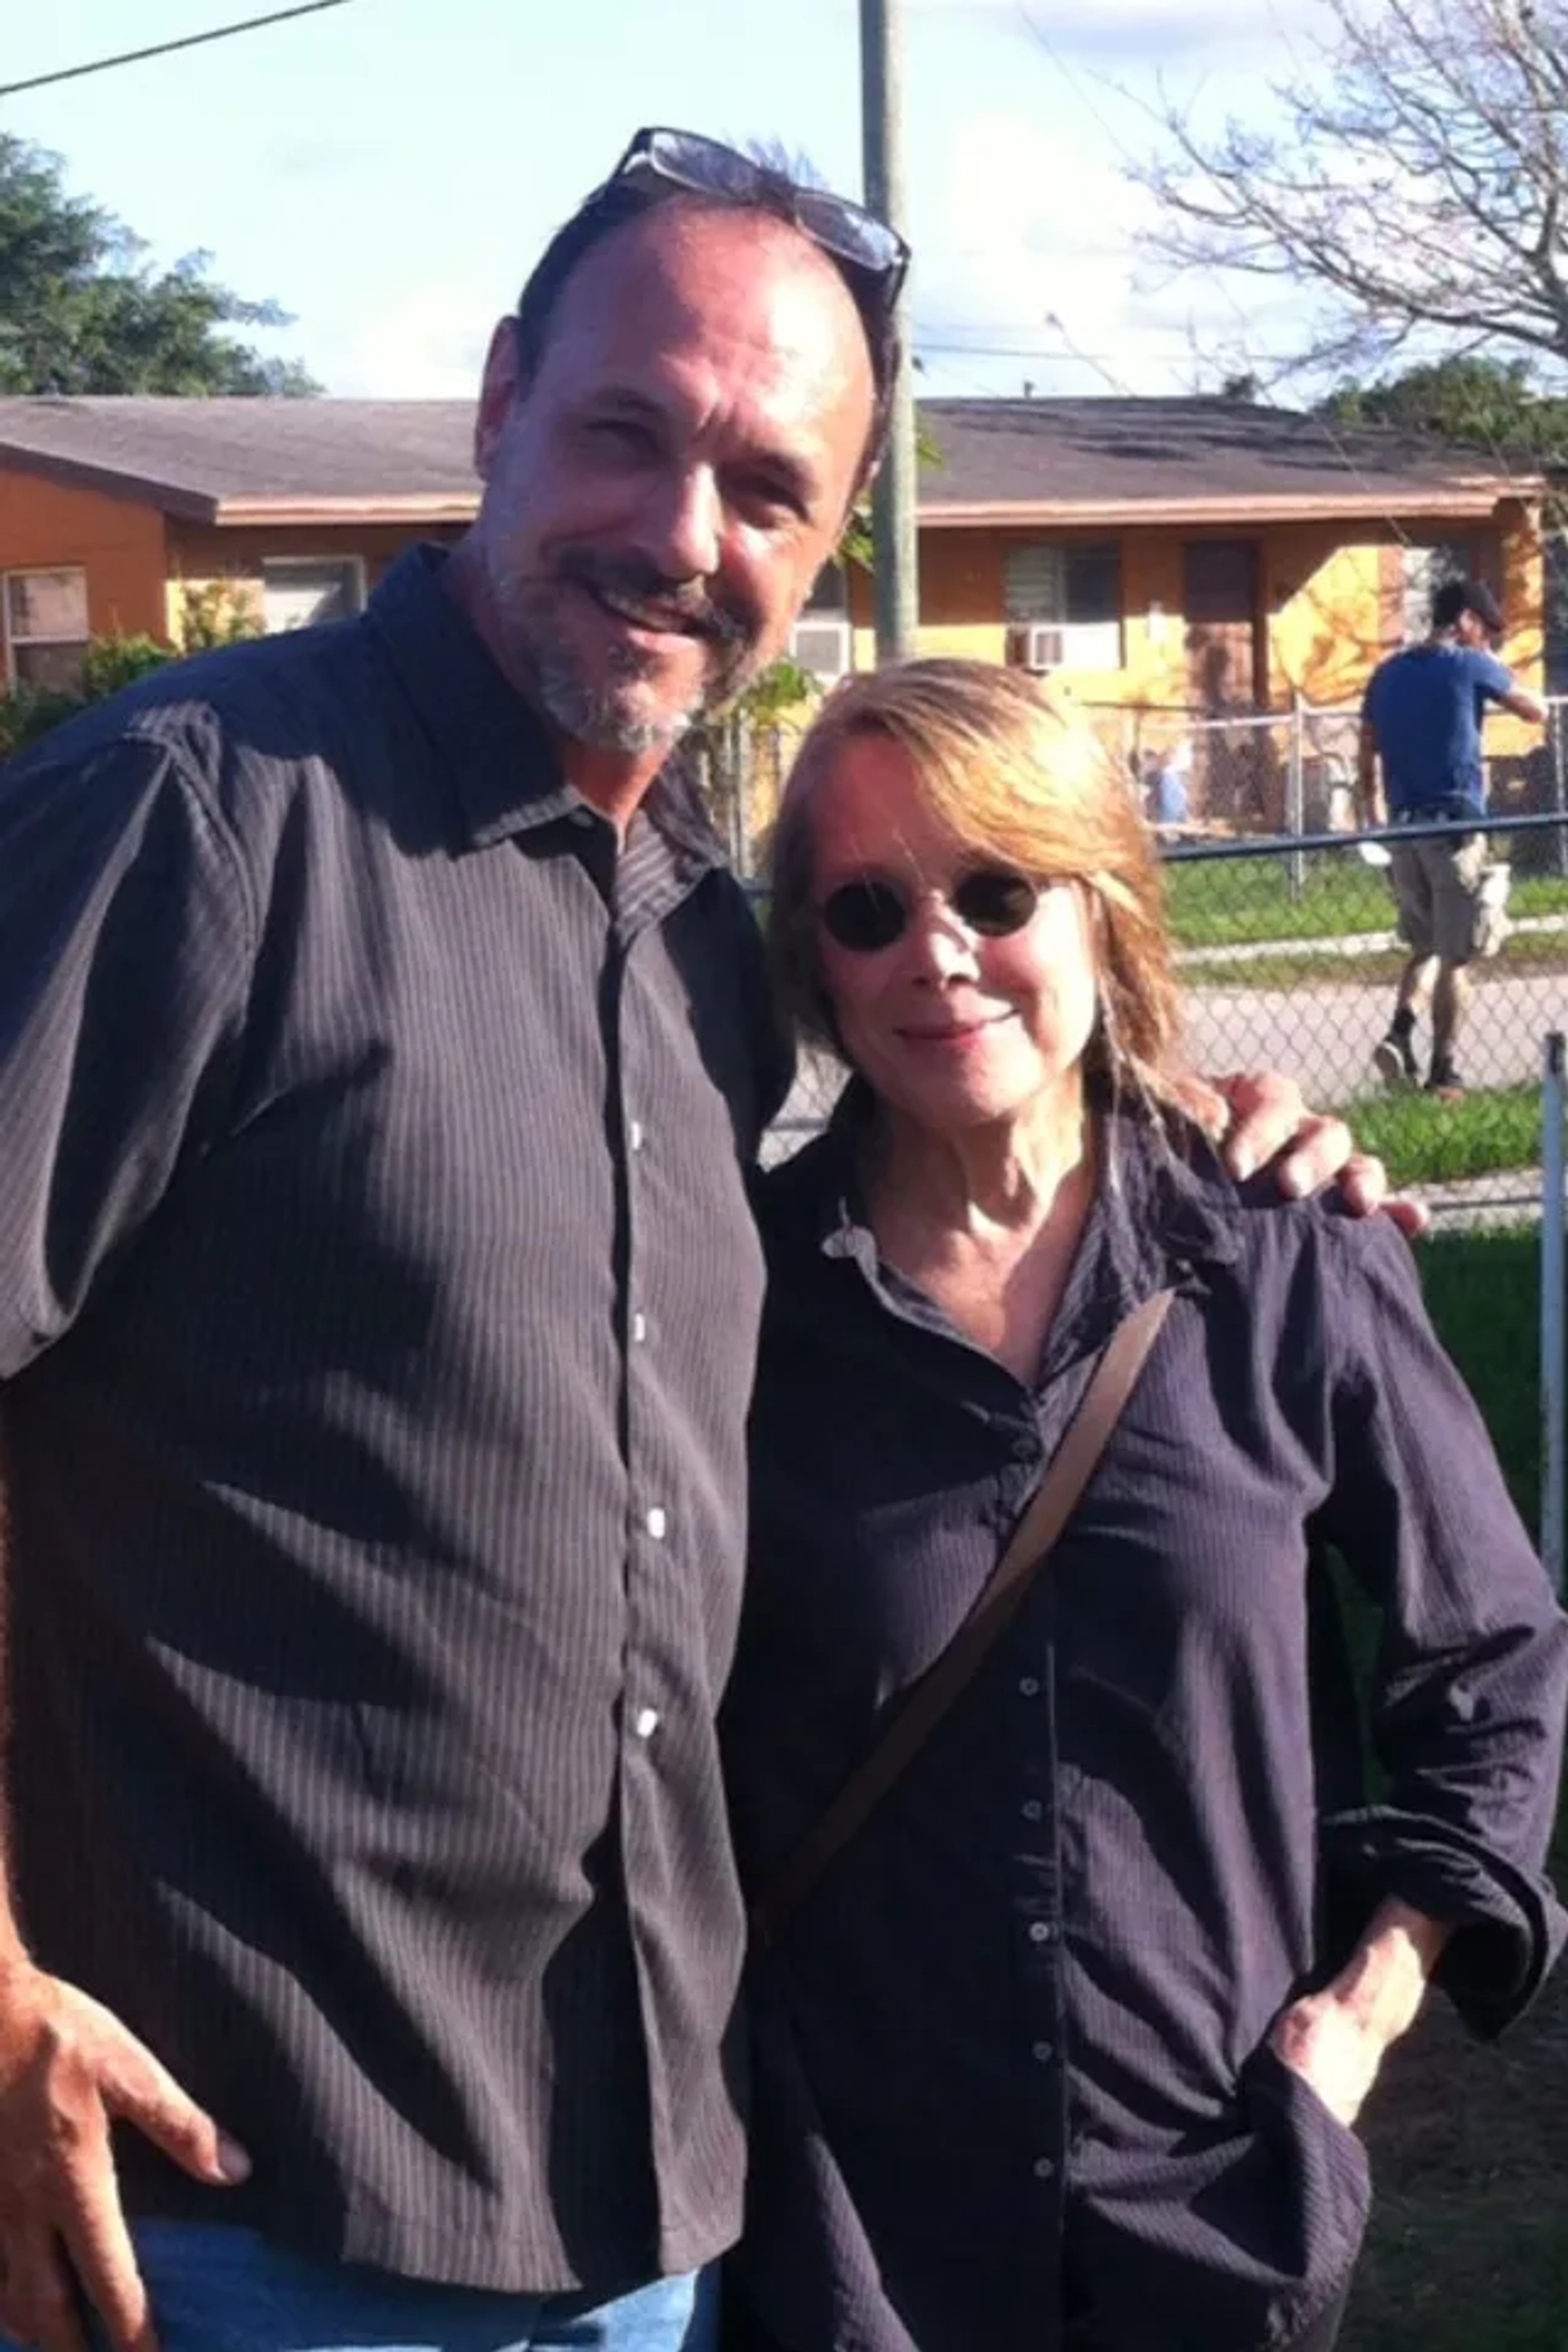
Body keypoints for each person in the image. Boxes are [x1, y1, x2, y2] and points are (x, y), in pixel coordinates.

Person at [0, 131, 1411, 2352]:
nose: (682, 535)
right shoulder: (194, 827)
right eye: (627, 435)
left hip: (663, 2221)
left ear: (829, 539)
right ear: (496, 408)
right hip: (248, 2227)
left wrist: (1210, 1121)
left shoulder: (707, 950)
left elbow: (973, 1097)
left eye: (766, 486)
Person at [721, 659, 1568, 2352]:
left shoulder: (1288, 1260)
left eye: (995, 889)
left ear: (1102, 904)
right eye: (869, 909)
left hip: (1215, 2203)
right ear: (814, 964)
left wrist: (1359, 2017)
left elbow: (1494, 1670)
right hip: (842, 2231)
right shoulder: (734, 1308)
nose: (937, 955)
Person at [1359, 575, 1544, 1098]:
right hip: (1455, 827)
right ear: (1465, 622)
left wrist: (1368, 810)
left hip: (1403, 828)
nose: (1486, 639)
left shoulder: (1387, 674)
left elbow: (1365, 749)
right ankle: (1445, 1071)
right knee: (1457, 954)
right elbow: (1536, 710)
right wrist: (1504, 676)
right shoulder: (1469, 663)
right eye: (1485, 629)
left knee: (1423, 945)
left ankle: (1399, 1032)